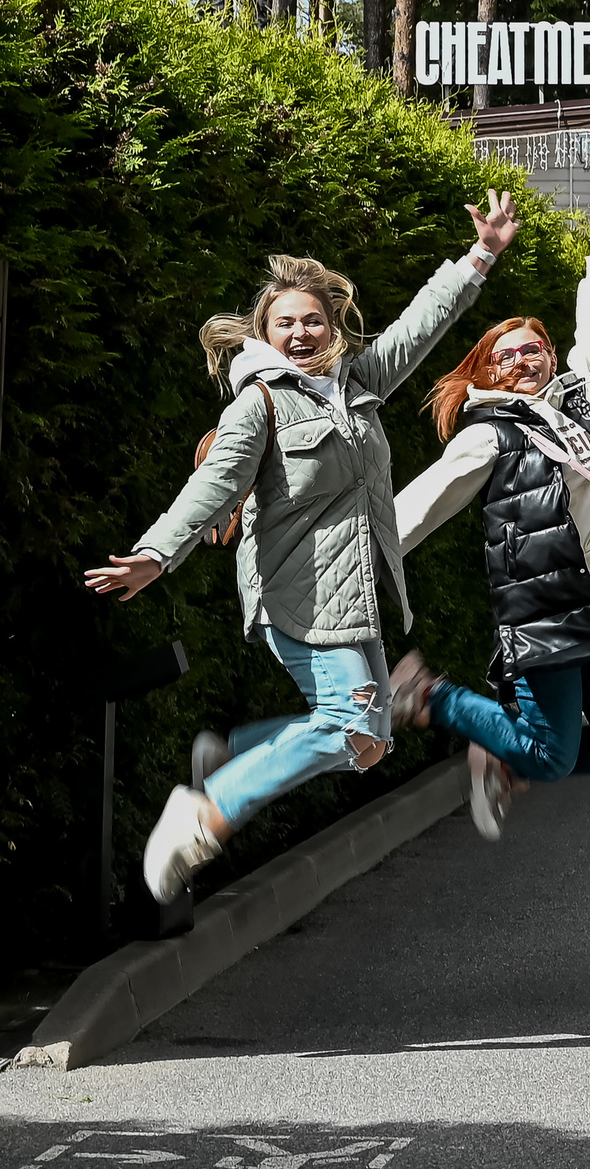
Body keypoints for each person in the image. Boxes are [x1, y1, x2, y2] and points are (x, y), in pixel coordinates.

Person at [85, 194, 520, 902]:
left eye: (312, 319)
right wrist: (156, 554)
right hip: (293, 591)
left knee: (369, 743)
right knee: (348, 725)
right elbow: (211, 488)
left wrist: (482, 255)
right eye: (284, 322)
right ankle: (205, 812)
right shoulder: (258, 403)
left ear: (333, 327)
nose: (300, 332)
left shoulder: (356, 384)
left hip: (351, 596)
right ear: (264, 333)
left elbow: (421, 326)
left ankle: (235, 754)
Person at [391, 185, 590, 841]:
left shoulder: (582, 404)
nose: (519, 360)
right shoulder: (488, 435)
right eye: (503, 355)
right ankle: (429, 696)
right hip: (546, 605)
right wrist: (348, 560)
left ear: (549, 356)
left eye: (530, 348)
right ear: (487, 372)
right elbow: (416, 507)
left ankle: (507, 754)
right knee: (551, 754)